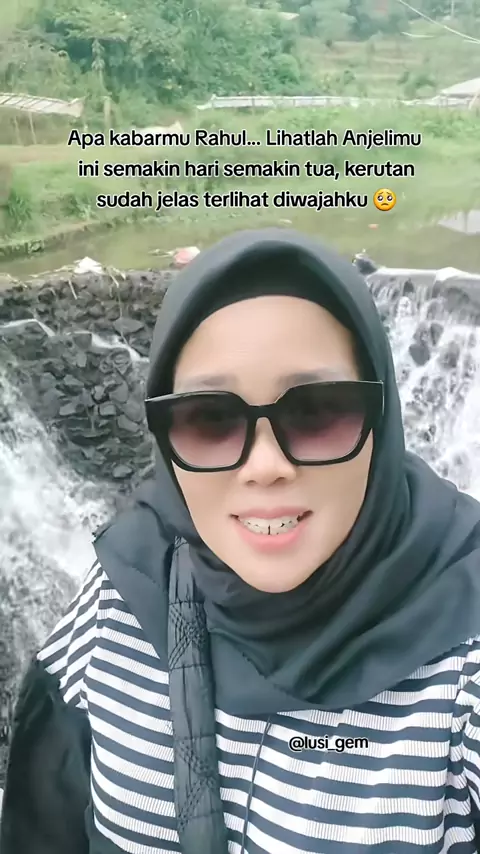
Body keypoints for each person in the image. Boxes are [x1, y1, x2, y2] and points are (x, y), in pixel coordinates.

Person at [1, 227, 480, 854]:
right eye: (210, 419)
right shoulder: (123, 596)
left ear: (381, 419)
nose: (265, 465)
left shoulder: (460, 671)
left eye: (317, 410)